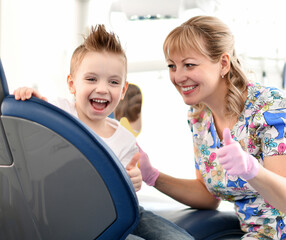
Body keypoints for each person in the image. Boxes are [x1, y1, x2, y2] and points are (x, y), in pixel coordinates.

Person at [14, 25, 194, 240]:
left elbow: (123, 189)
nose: (102, 89)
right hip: (74, 215)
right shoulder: (60, 112)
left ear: (123, 90)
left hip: (120, 213)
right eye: (91, 79)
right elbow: (27, 128)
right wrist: (30, 98)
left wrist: (133, 180)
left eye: (113, 82)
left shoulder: (125, 140)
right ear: (72, 84)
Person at [138, 16, 286, 240]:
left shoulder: (270, 107)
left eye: (189, 64)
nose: (178, 76)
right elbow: (208, 197)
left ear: (223, 64)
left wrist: (252, 170)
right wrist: (153, 176)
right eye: (172, 66)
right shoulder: (199, 117)